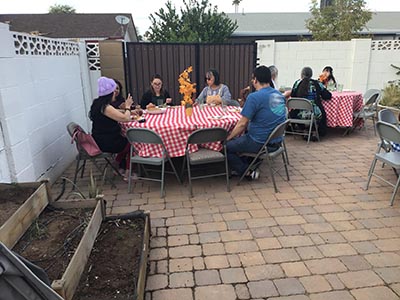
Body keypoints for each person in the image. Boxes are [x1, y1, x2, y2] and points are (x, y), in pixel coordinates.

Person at [227, 65, 286, 179]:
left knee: (226, 146)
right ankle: (249, 165)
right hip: (276, 141)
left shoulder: (254, 97)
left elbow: (242, 124)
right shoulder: (279, 95)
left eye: (252, 78)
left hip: (260, 142)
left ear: (255, 80)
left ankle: (247, 172)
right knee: (240, 140)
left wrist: (228, 137)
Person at [90, 77, 135, 180]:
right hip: (107, 142)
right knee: (133, 142)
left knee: (127, 140)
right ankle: (128, 173)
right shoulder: (106, 107)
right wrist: (128, 107)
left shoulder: (97, 103)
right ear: (110, 94)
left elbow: (116, 113)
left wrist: (129, 111)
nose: (115, 93)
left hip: (98, 138)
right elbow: (126, 119)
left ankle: (117, 164)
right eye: (113, 91)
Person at [290, 67, 332, 138]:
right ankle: (314, 131)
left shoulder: (297, 83)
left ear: (302, 74)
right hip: (315, 113)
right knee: (318, 112)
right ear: (311, 75)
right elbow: (327, 95)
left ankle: (305, 130)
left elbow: (293, 95)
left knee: (296, 112)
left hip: (299, 113)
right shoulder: (317, 84)